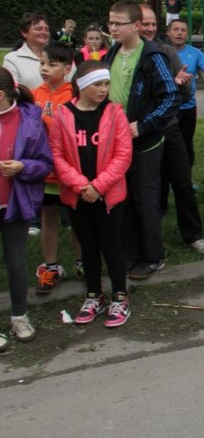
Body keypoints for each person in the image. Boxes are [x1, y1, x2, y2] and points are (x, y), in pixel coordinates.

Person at [48, 61, 134, 327]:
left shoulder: (114, 113)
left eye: (107, 84)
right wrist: (80, 185)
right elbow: (57, 155)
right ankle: (94, 295)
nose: (104, 89)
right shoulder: (62, 115)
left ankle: (120, 297)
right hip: (78, 196)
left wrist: (98, 186)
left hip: (108, 196)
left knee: (112, 247)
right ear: (83, 85)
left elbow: (123, 154)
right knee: (88, 248)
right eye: (98, 84)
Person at [103, 0, 179, 279]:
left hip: (145, 142)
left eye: (117, 23)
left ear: (135, 26)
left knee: (145, 199)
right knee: (122, 199)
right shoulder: (111, 54)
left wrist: (144, 125)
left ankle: (152, 257)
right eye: (110, 22)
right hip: (116, 142)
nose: (112, 28)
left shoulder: (152, 56)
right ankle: (129, 254)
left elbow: (170, 95)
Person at [138, 5, 204, 255]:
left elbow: (185, 92)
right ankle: (149, 238)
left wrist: (180, 83)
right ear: (134, 24)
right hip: (139, 132)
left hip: (169, 128)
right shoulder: (124, 54)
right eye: (144, 24)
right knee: (149, 186)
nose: (148, 28)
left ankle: (193, 235)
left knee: (182, 181)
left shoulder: (166, 52)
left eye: (152, 24)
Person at [0, 67, 53, 346]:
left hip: (13, 204)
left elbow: (45, 164)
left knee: (17, 262)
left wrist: (23, 166)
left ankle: (19, 316)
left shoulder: (29, 121)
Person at [33, 42, 83, 294]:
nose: (45, 69)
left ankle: (83, 262)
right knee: (47, 217)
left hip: (69, 171)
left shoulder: (74, 95)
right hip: (44, 173)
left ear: (67, 68)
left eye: (51, 64)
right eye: (42, 63)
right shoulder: (34, 94)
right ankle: (51, 266)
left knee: (76, 217)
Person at [167, 18, 204, 166]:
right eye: (176, 29)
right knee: (167, 146)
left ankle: (186, 180)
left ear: (187, 35)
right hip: (167, 108)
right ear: (168, 33)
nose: (179, 33)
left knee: (186, 144)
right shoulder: (162, 51)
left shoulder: (195, 53)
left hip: (187, 107)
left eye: (183, 30)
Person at [5, 13, 52, 90]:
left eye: (47, 29)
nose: (44, 32)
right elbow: (12, 90)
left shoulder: (61, 55)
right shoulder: (12, 59)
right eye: (39, 29)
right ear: (24, 33)